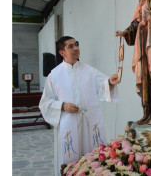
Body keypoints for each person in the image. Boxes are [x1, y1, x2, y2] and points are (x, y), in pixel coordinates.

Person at [39, 36, 120, 176]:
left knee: (93, 158)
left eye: (76, 45)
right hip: (69, 123)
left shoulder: (89, 70)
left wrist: (110, 82)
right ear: (62, 52)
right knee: (71, 159)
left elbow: (103, 85)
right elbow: (45, 103)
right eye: (70, 46)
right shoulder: (54, 75)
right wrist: (63, 106)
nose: (76, 48)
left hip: (89, 123)